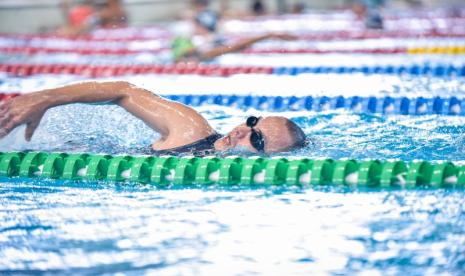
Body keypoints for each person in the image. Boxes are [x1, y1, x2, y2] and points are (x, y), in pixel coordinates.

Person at [0, 82, 307, 155]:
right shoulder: (191, 130)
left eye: (258, 139)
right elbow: (123, 91)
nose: (242, 130)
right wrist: (44, 98)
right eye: (251, 122)